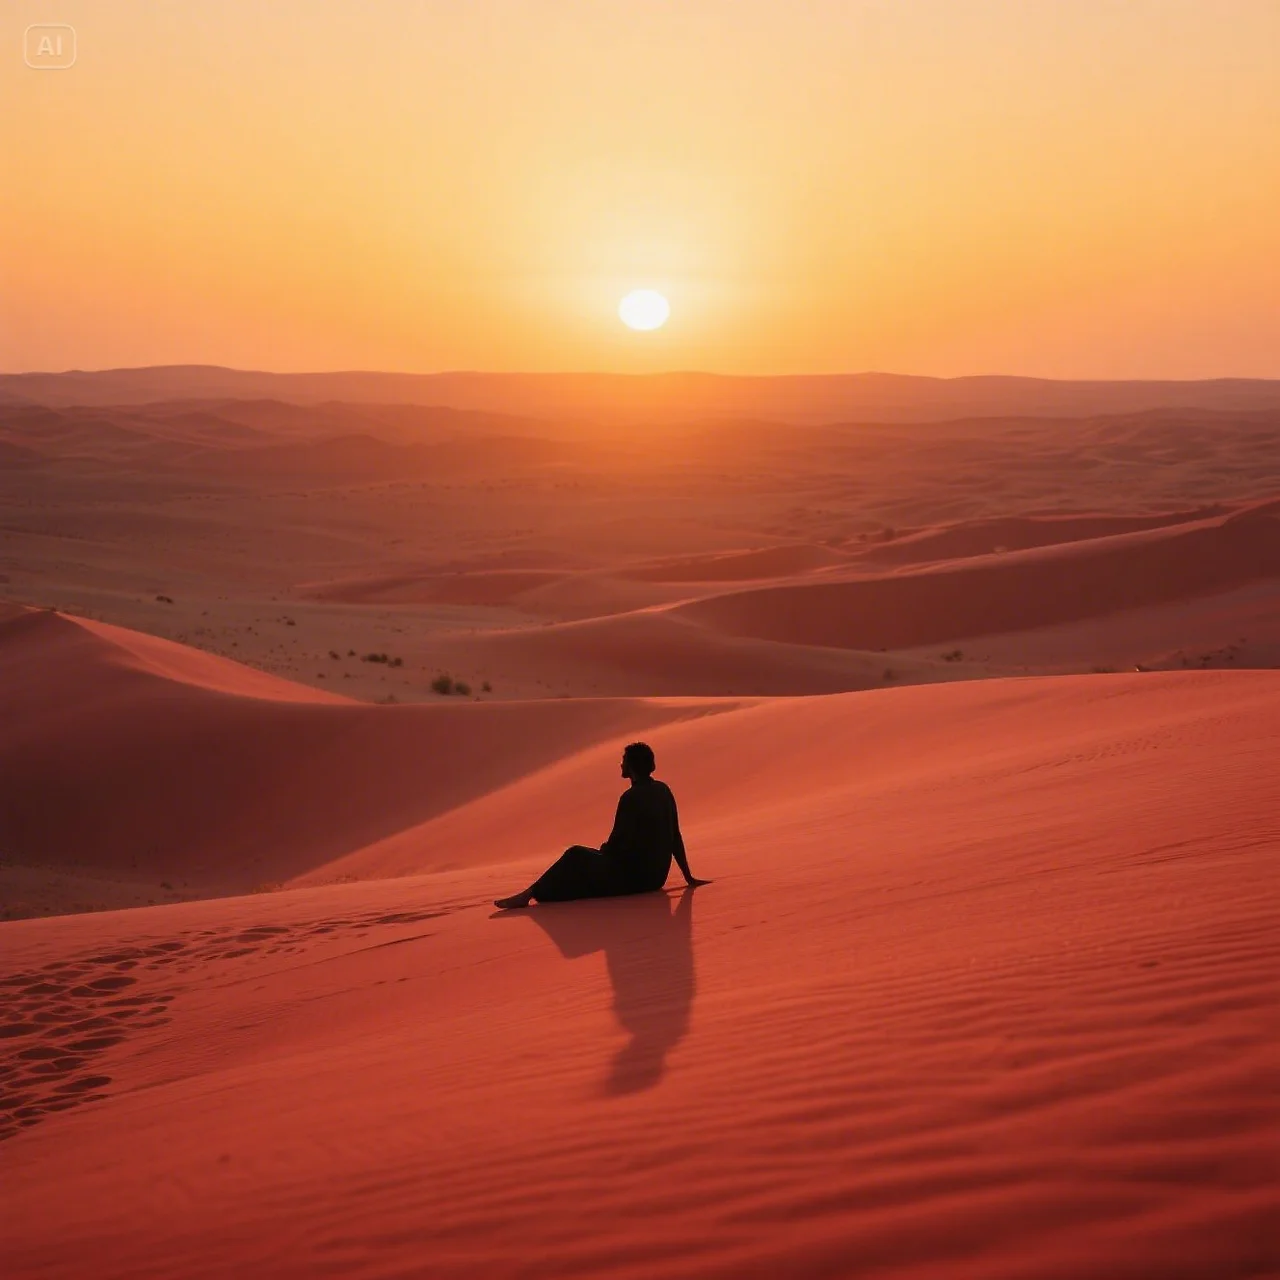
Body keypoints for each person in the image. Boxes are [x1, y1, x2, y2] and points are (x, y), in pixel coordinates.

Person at [493, 741, 709, 909]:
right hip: (656, 878)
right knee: (584, 867)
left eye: (624, 760)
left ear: (632, 766)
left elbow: (617, 842)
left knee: (575, 854)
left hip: (635, 879)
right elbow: (675, 836)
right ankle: (538, 894)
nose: (621, 764)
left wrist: (603, 852)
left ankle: (529, 894)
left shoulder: (630, 797)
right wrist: (687, 876)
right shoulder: (664, 790)